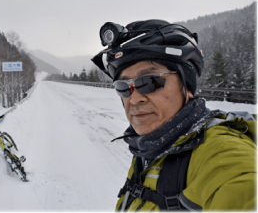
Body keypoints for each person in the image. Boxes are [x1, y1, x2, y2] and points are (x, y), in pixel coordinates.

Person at [91, 19, 258, 213]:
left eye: (150, 81)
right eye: (123, 87)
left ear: (186, 86)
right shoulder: (149, 145)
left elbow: (242, 184)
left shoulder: (220, 150)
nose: (135, 99)